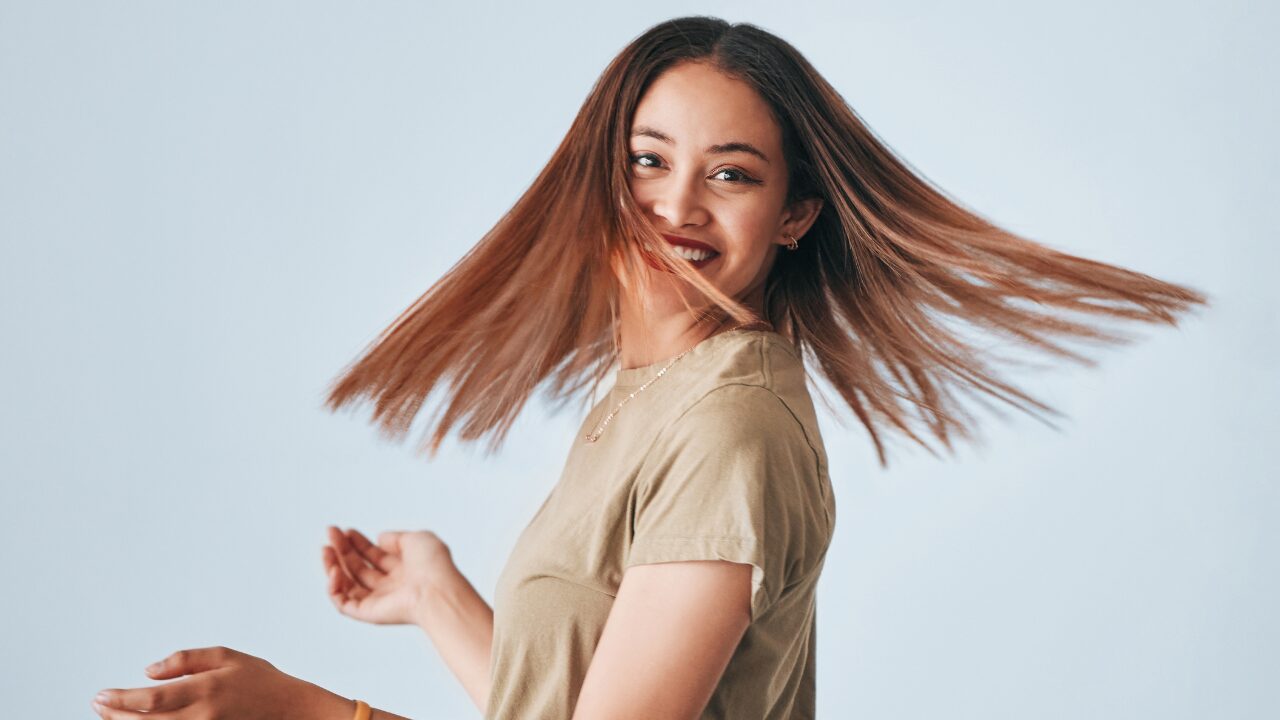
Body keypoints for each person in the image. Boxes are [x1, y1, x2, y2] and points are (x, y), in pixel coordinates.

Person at [90, 15, 1208, 720]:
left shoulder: (729, 426)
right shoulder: (652, 396)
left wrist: (307, 716)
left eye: (728, 174)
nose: (674, 205)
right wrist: (434, 595)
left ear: (792, 216)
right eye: (645, 160)